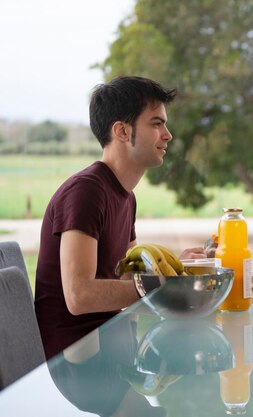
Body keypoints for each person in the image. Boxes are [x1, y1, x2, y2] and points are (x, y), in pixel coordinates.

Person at [35, 76, 207, 360]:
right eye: (156, 123)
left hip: (113, 344)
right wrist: (160, 287)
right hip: (78, 363)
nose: (168, 135)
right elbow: (79, 296)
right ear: (122, 132)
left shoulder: (125, 195)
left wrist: (180, 266)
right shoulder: (86, 192)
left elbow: (127, 274)